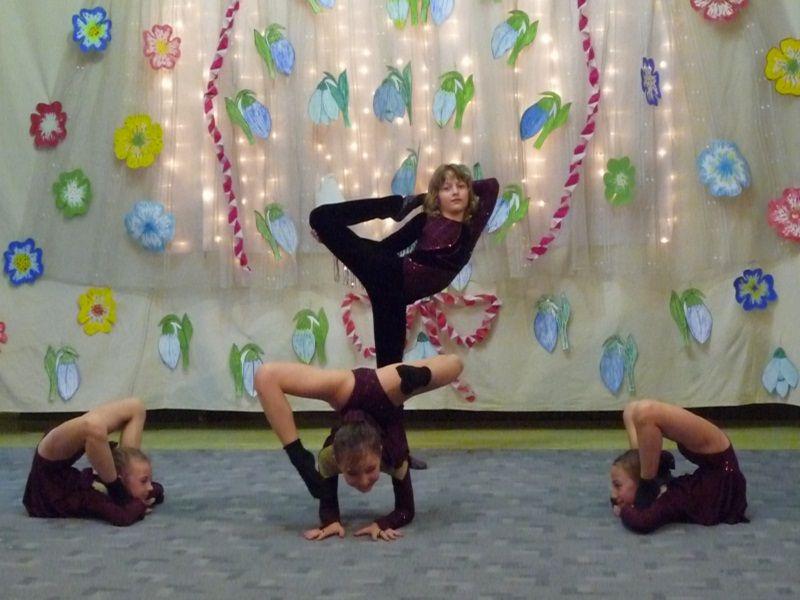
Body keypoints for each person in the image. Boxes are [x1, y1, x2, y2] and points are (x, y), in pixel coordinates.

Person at [309, 164, 499, 468]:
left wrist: (433, 192)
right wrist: (337, 242)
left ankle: (398, 453)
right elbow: (387, 248)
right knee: (320, 218)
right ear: (437, 196)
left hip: (393, 296)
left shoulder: (471, 227)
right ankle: (393, 205)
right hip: (387, 272)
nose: (455, 192)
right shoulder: (426, 220)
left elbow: (490, 185)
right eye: (446, 188)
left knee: (391, 376)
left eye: (460, 186)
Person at [255, 353, 463, 541]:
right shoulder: (330, 457)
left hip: (372, 390)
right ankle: (413, 380)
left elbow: (406, 509)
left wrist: (423, 377)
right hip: (376, 400)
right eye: (352, 473)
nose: (364, 482)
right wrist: (301, 461)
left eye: (370, 469)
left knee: (454, 363)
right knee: (265, 376)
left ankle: (420, 376)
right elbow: (404, 510)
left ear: (380, 453)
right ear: (337, 460)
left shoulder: (393, 456)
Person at [609, 399, 748, 534]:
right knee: (645, 413)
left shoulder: (665, 487)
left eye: (617, 485)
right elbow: (642, 522)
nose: (614, 495)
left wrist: (624, 507)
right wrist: (624, 509)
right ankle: (647, 483)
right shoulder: (668, 499)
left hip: (716, 468)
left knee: (630, 411)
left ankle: (647, 480)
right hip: (721, 475)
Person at [23, 397, 164, 527]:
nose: (150, 487)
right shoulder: (132, 490)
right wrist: (141, 501)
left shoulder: (95, 498)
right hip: (61, 471)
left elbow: (123, 517)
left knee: (94, 427)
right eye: (144, 481)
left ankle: (117, 490)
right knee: (136, 407)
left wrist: (134, 502)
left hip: (47, 487)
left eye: (147, 481)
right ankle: (117, 489)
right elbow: (158, 490)